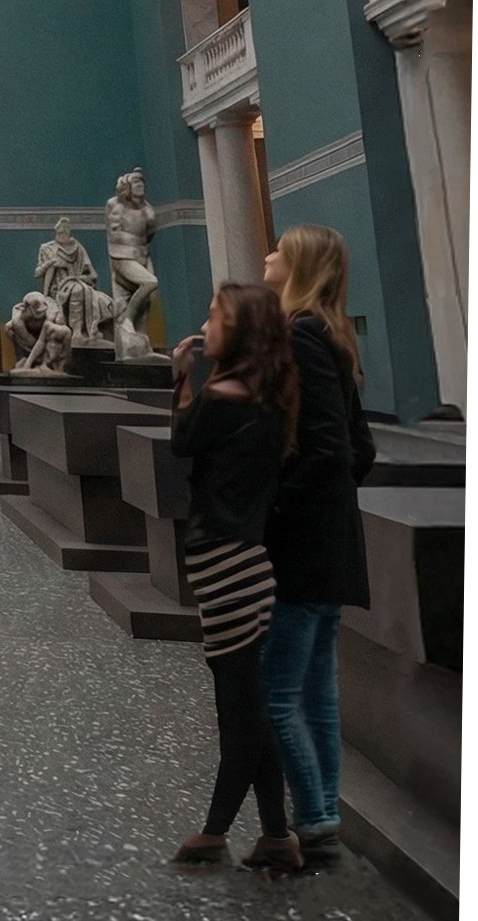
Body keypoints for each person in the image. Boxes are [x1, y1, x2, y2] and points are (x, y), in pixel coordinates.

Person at [168, 282, 303, 874]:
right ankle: (277, 835)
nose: (207, 324)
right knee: (250, 705)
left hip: (224, 568)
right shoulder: (267, 397)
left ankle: (215, 832)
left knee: (238, 712)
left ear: (240, 331)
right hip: (248, 565)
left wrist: (180, 376)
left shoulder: (221, 397)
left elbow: (182, 441)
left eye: (217, 316)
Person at [261, 226, 377, 863]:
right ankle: (324, 810)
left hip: (303, 549)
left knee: (278, 695)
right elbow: (361, 449)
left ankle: (313, 815)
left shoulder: (301, 333)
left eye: (278, 249)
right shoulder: (331, 334)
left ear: (299, 266)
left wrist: (278, 508)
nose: (268, 255)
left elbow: (332, 448)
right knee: (316, 695)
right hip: (330, 542)